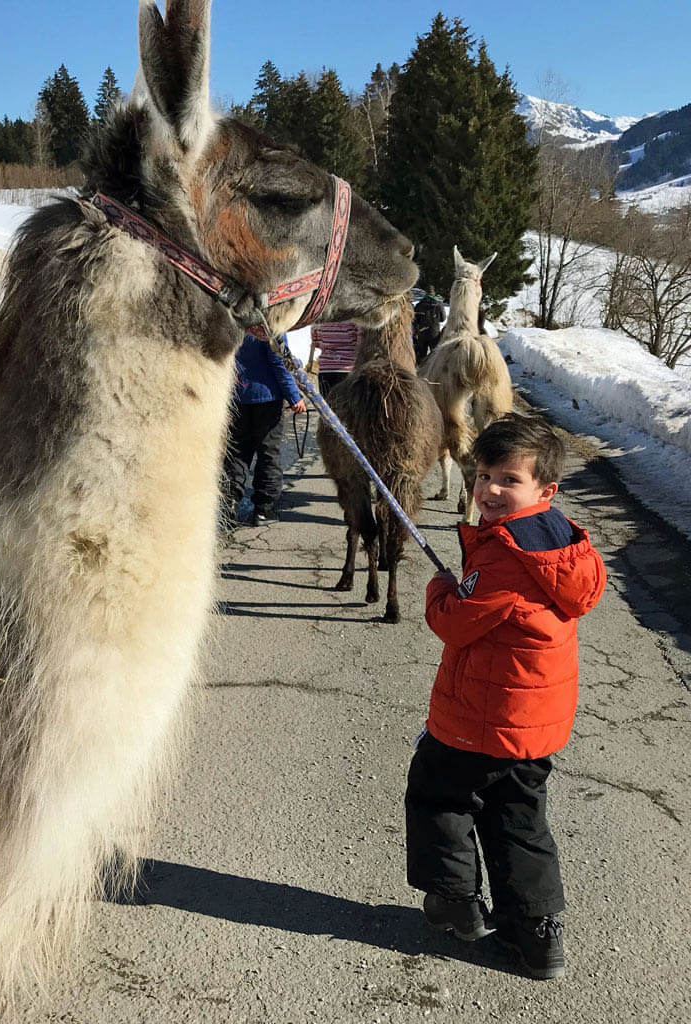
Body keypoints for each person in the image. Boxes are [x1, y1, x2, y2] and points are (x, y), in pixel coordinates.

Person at [405, 412, 606, 980]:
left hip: (483, 718)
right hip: (533, 723)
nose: (489, 490)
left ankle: (454, 902)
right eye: (483, 474)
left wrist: (444, 585)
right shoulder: (558, 540)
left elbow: (454, 622)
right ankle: (537, 937)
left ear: (546, 489)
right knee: (518, 819)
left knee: (438, 794)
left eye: (508, 480)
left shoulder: (505, 557)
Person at [223, 332, 306, 526]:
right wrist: (294, 397)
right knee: (268, 452)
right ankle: (263, 509)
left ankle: (229, 505)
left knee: (237, 453)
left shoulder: (234, 319)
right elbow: (279, 363)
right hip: (267, 397)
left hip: (237, 396)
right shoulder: (269, 327)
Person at [308, 321, 360, 399]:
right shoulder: (353, 322)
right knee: (347, 404)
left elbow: (315, 343)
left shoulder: (319, 321)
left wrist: (310, 364)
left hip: (325, 369)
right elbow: (359, 342)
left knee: (328, 405)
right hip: (347, 369)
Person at [412, 287, 445, 365]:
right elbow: (443, 319)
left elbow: (414, 319)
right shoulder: (439, 305)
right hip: (434, 332)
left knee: (421, 354)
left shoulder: (419, 305)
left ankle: (420, 370)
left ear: (426, 293)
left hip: (422, 332)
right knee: (434, 354)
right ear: (434, 293)